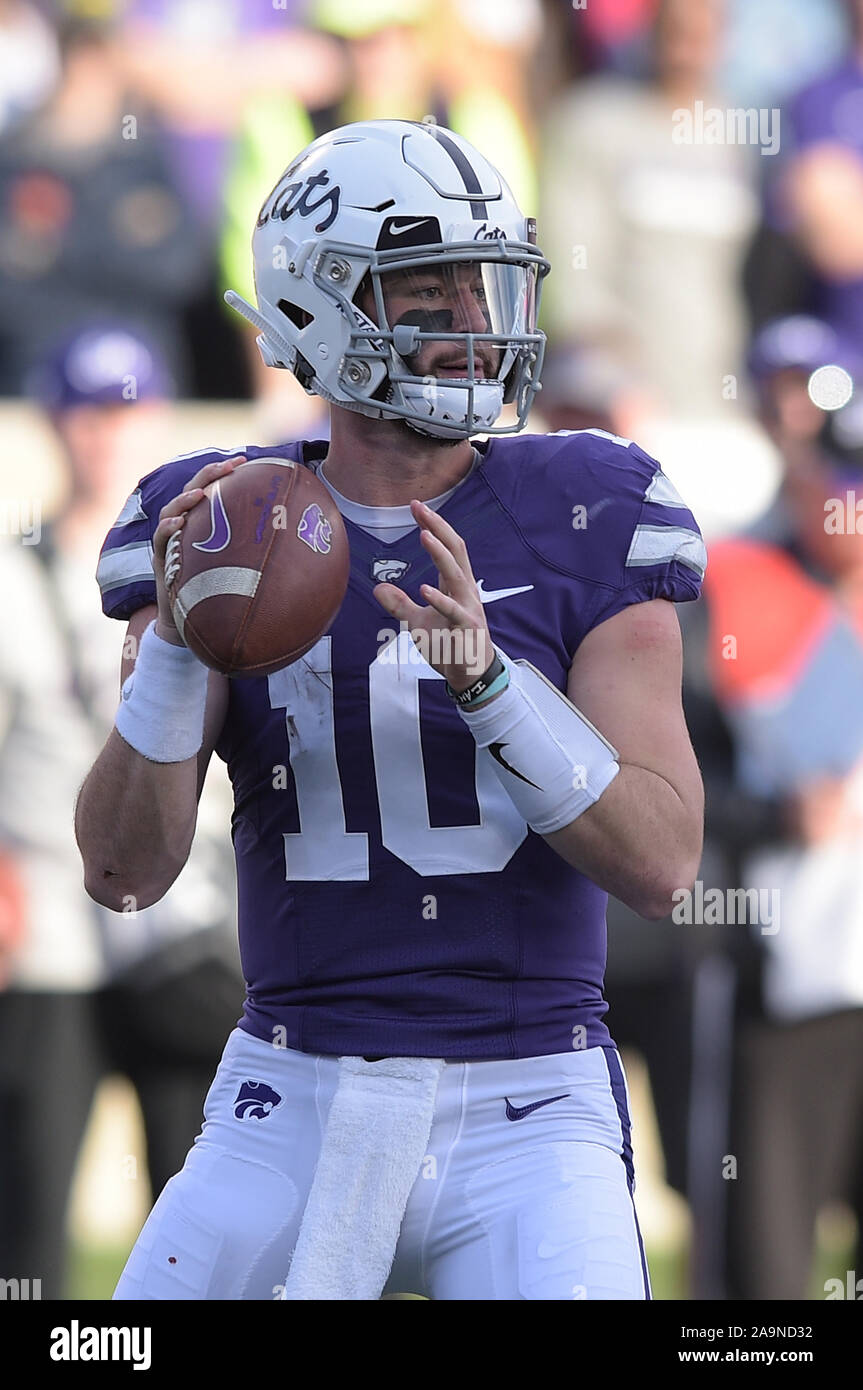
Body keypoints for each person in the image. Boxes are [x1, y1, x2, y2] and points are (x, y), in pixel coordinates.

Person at [75, 119, 706, 1302]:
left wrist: (491, 687)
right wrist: (170, 643)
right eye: (429, 290)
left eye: (483, 282)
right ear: (318, 305)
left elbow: (665, 861)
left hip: (528, 1100)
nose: (476, 320)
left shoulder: (585, 503)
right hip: (286, 1088)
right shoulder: (218, 519)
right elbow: (123, 871)